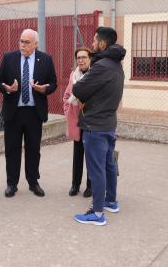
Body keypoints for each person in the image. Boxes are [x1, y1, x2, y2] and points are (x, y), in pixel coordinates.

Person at [0, 29, 57, 198]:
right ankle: (11, 183)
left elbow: (54, 83)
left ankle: (33, 181)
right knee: (12, 149)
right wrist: (7, 88)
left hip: (34, 112)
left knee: (33, 149)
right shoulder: (9, 58)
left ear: (35, 44)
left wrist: (45, 89)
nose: (23, 45)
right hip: (13, 112)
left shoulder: (45, 59)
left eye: (27, 42)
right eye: (21, 41)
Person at [72, 27, 125, 226]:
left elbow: (78, 89)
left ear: (102, 44)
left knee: (96, 170)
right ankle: (111, 201)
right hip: (108, 123)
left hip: (95, 125)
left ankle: (96, 213)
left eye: (94, 40)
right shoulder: (116, 65)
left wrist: (81, 84)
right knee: (109, 165)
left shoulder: (101, 66)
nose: (92, 43)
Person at [63, 48, 92, 198]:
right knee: (77, 153)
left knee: (91, 155)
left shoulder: (94, 74)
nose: (81, 60)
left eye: (84, 57)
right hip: (77, 119)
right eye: (78, 57)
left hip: (91, 120)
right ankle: (75, 185)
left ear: (90, 58)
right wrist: (67, 110)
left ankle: (90, 186)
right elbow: (67, 95)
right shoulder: (73, 75)